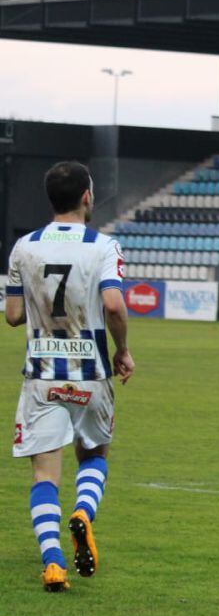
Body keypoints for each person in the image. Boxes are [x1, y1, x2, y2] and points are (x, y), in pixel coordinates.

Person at [5, 162, 134, 592]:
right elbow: (114, 306)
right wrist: (124, 351)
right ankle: (82, 512)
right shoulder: (104, 246)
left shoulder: (24, 247)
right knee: (94, 455)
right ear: (86, 197)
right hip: (92, 374)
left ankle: (54, 564)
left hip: (42, 376)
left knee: (45, 476)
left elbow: (12, 316)